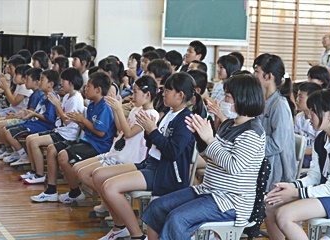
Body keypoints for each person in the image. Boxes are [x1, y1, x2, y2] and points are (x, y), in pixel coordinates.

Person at [142, 72, 266, 240]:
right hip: (209, 190)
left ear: (242, 99)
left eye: (228, 97)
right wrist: (201, 140)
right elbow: (213, 159)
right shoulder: (229, 124)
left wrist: (209, 139)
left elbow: (233, 166)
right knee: (157, 207)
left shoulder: (252, 132)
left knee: (177, 218)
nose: (223, 101)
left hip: (229, 201)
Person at [93, 72, 196, 240]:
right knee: (99, 175)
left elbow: (172, 151)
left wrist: (152, 130)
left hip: (166, 173)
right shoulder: (169, 114)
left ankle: (136, 234)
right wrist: (149, 130)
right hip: (151, 164)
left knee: (110, 187)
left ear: (180, 95)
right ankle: (119, 227)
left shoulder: (186, 120)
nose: (163, 94)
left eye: (168, 90)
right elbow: (154, 144)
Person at [265, 89, 330, 240]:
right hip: (325, 191)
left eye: (313, 112)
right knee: (270, 205)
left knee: (284, 216)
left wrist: (295, 192)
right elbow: (314, 176)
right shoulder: (321, 138)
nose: (309, 117)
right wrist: (292, 186)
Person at [73, 75, 159, 213]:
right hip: (117, 152)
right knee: (78, 169)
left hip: (129, 158)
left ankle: (113, 203)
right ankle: (109, 201)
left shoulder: (152, 114)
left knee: (85, 173)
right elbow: (121, 130)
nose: (132, 96)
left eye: (135, 92)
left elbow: (130, 133)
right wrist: (115, 109)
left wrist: (119, 109)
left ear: (147, 94)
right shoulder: (137, 109)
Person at [30, 72, 116, 203]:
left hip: (99, 146)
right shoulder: (92, 105)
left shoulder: (105, 107)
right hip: (87, 141)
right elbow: (86, 128)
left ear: (98, 90)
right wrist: (79, 121)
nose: (85, 89)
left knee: (63, 156)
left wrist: (82, 120)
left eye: (89, 87)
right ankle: (51, 190)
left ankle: (75, 191)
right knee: (52, 149)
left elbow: (100, 133)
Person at [20, 67, 84, 182]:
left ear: (71, 82)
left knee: (34, 142)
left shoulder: (76, 98)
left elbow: (67, 121)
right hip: (59, 131)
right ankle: (34, 171)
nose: (61, 83)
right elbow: (60, 116)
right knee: (30, 139)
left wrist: (57, 105)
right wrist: (57, 105)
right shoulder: (67, 96)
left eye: (63, 80)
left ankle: (40, 175)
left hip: (67, 135)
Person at [253, 53, 296, 191]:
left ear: (269, 76)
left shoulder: (279, 105)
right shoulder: (262, 101)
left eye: (256, 71)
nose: (254, 75)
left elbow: (277, 144)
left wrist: (251, 147)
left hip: (275, 173)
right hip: (261, 164)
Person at [1, 70, 59, 164]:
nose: (39, 82)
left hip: (43, 126)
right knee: (6, 129)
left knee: (9, 133)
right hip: (34, 123)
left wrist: (34, 114)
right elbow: (36, 112)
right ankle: (18, 153)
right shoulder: (44, 96)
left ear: (51, 84)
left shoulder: (52, 98)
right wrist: (27, 114)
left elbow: (50, 119)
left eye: (42, 79)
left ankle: (23, 156)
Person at [0, 68, 44, 159]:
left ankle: (20, 154)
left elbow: (29, 114)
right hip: (23, 116)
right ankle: (7, 149)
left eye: (27, 79)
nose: (25, 81)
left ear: (36, 82)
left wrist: (14, 116)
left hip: (27, 120)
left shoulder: (36, 94)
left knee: (1, 125)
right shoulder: (34, 93)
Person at [295, 82, 322, 168]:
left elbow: (319, 148)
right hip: (300, 153)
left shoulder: (319, 119)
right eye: (297, 96)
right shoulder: (299, 117)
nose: (296, 100)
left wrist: (301, 151)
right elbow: (295, 137)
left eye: (300, 96)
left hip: (312, 155)